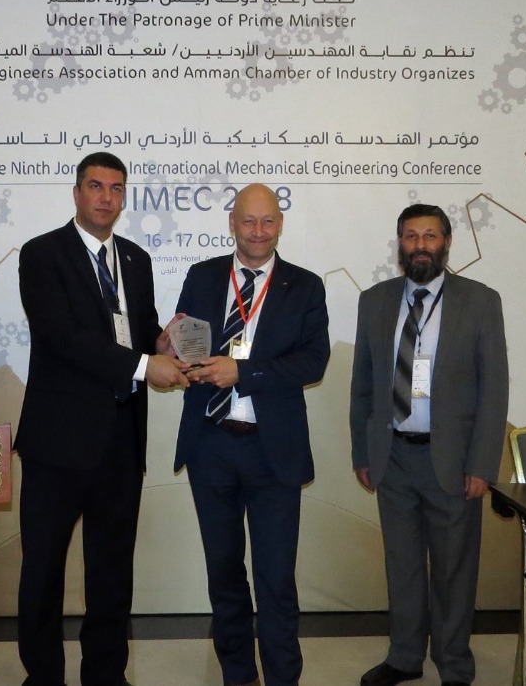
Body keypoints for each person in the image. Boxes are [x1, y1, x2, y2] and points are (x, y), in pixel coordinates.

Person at [15, 151, 188, 686]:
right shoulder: (42, 254)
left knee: (112, 571)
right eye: (95, 186)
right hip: (57, 443)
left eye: (115, 188)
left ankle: (106, 675)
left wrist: (160, 343)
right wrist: (145, 365)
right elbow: (64, 338)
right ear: (77, 192)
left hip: (120, 439)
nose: (106, 198)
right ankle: (43, 676)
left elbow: (137, 332)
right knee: (43, 569)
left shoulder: (135, 259)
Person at [171, 183, 330, 686]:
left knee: (276, 579)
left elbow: (313, 361)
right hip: (210, 445)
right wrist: (171, 348)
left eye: (267, 221)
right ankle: (237, 675)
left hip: (272, 450)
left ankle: (283, 678)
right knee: (224, 575)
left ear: (279, 224)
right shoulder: (202, 276)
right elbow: (184, 345)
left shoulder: (305, 286)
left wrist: (244, 372)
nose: (258, 231)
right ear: (232, 223)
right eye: (248, 220)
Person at [349, 204, 509, 686]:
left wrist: (483, 463)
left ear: (447, 242)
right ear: (400, 243)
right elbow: (363, 384)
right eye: (411, 236)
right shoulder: (375, 300)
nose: (421, 245)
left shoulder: (480, 301)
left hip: (453, 460)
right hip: (393, 455)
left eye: (430, 236)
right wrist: (363, 452)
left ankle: (454, 662)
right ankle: (404, 657)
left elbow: (494, 388)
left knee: (454, 569)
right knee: (401, 566)